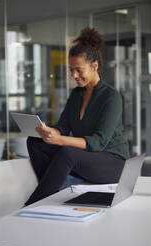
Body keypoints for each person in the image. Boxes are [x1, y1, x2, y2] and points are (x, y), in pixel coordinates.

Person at [25, 27, 130, 206]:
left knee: (67, 153)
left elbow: (98, 142)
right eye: (71, 70)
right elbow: (64, 126)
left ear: (94, 66)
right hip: (89, 158)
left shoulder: (111, 96)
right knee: (35, 142)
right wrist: (51, 131)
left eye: (79, 70)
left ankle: (35, 202)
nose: (74, 75)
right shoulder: (76, 95)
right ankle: (50, 192)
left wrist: (60, 140)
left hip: (113, 163)